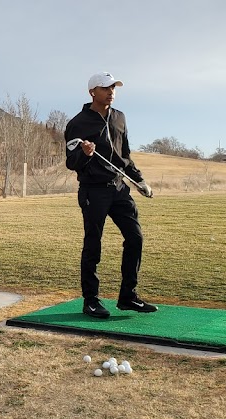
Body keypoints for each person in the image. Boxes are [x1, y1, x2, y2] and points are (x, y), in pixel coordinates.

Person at [64, 72, 157, 319]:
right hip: (93, 191)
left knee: (135, 238)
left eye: (113, 88)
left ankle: (128, 297)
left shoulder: (119, 117)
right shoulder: (77, 123)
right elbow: (71, 162)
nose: (111, 92)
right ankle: (91, 301)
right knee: (93, 245)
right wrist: (85, 153)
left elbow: (124, 155)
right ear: (92, 92)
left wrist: (139, 180)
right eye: (106, 88)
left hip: (119, 188)